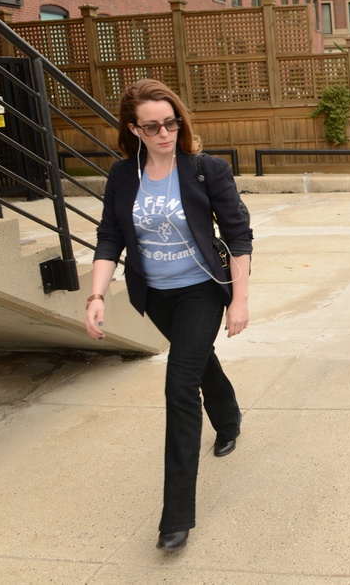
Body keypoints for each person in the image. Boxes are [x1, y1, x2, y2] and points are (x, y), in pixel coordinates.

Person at [84, 79, 253, 550]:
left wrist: (239, 300)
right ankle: (231, 418)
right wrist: (95, 296)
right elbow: (109, 237)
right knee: (196, 362)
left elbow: (239, 236)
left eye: (171, 122)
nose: (165, 133)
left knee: (179, 384)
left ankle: (175, 517)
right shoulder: (122, 176)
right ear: (134, 129)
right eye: (153, 126)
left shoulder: (205, 170)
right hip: (154, 294)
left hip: (201, 290)